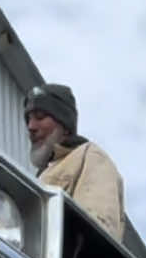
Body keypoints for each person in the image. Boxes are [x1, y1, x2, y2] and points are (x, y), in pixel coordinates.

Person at [23, 84, 125, 242]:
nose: (31, 126)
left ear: (64, 125)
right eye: (28, 119)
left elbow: (100, 232)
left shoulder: (90, 156)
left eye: (40, 117)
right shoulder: (42, 176)